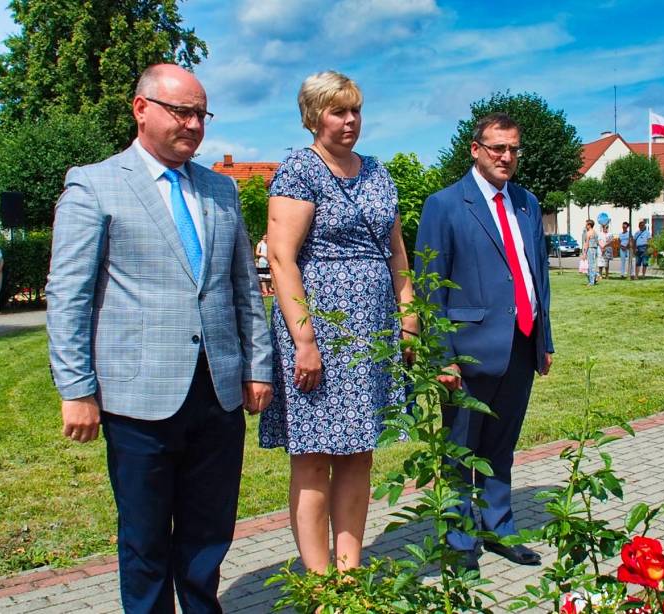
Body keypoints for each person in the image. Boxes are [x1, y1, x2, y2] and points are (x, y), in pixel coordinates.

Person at [46, 64, 273, 614]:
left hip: (217, 392)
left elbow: (244, 284)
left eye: (201, 113)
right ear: (141, 108)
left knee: (208, 532)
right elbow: (68, 293)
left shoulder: (221, 190)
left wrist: (258, 365)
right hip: (137, 397)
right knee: (145, 539)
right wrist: (76, 389)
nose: (194, 125)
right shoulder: (93, 183)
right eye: (181, 111)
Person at [259, 71, 413, 573]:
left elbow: (396, 252)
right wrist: (305, 341)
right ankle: (320, 582)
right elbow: (282, 259)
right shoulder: (299, 172)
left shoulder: (377, 172)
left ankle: (350, 570)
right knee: (313, 458)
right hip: (321, 331)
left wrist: (408, 314)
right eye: (337, 111)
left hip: (373, 330)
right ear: (312, 117)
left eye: (355, 111)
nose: (350, 121)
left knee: (359, 453)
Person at [415, 112, 554, 571]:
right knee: (460, 451)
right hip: (467, 352)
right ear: (475, 149)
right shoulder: (446, 204)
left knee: (500, 446)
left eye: (513, 148)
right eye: (497, 148)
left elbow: (538, 276)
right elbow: (430, 286)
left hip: (520, 344)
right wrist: (441, 356)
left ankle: (500, 528)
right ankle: (458, 542)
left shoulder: (528, 204)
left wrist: (544, 340)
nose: (506, 157)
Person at [581, 219, 598, 286]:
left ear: (589, 225)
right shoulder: (595, 232)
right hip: (595, 249)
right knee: (593, 265)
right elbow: (597, 241)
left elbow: (587, 243)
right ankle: (595, 278)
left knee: (590, 266)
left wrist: (584, 253)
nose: (585, 226)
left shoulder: (588, 233)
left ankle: (591, 282)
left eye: (586, 224)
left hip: (590, 250)